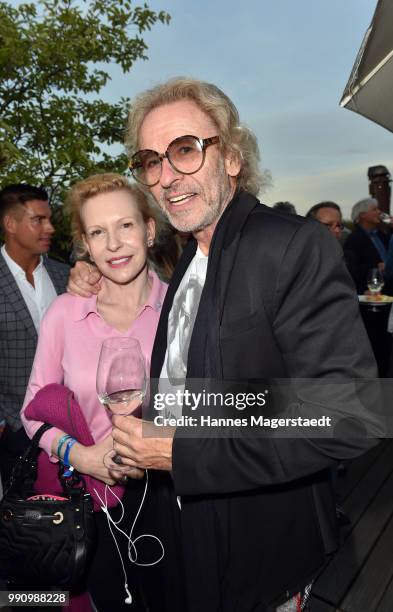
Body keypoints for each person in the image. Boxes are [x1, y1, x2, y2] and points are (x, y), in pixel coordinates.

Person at [68, 78, 380, 612]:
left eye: (185, 150)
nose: (166, 177)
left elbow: (350, 415)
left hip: (260, 553)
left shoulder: (287, 244)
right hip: (189, 542)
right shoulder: (190, 257)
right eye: (151, 160)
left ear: (231, 157)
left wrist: (183, 452)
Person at [21, 174, 181, 611]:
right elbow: (31, 413)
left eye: (125, 226)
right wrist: (81, 455)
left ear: (149, 229)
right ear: (85, 246)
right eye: (97, 232)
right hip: (89, 504)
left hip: (170, 500)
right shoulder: (65, 314)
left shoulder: (181, 311)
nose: (113, 243)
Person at [0, 183, 69, 489]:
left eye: (49, 218)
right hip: (14, 432)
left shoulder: (66, 275)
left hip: (70, 427)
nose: (49, 228)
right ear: (10, 224)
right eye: (38, 220)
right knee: (24, 530)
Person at [343, 197, 391, 294]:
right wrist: (376, 266)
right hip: (370, 293)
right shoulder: (354, 239)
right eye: (374, 209)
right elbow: (351, 270)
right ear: (362, 215)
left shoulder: (382, 235)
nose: (379, 212)